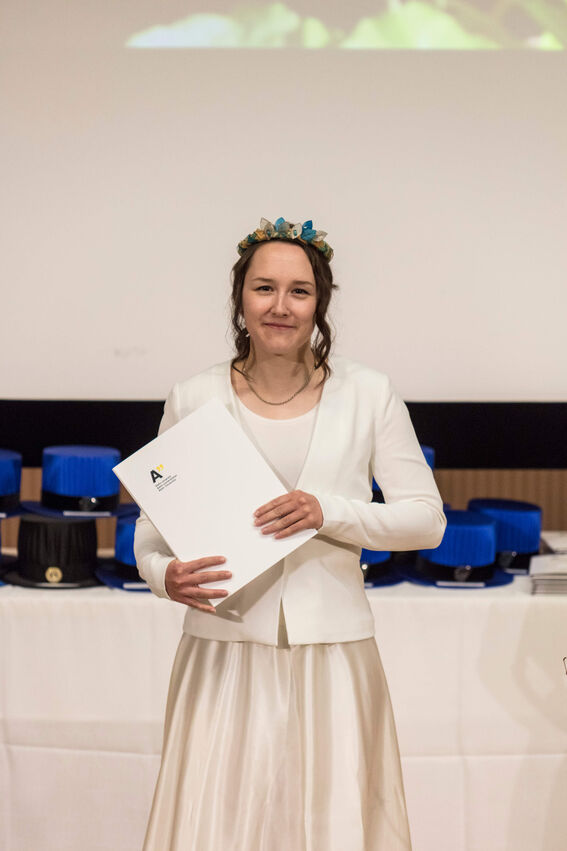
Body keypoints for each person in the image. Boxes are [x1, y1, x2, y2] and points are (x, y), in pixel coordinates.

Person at [134, 216, 446, 850]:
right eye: (264, 288)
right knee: (216, 825)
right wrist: (163, 576)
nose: (280, 306)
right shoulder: (192, 397)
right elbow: (152, 528)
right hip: (222, 649)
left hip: (334, 653)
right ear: (240, 299)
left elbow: (426, 521)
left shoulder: (369, 394)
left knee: (335, 823)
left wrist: (327, 511)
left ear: (319, 303)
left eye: (299, 291)